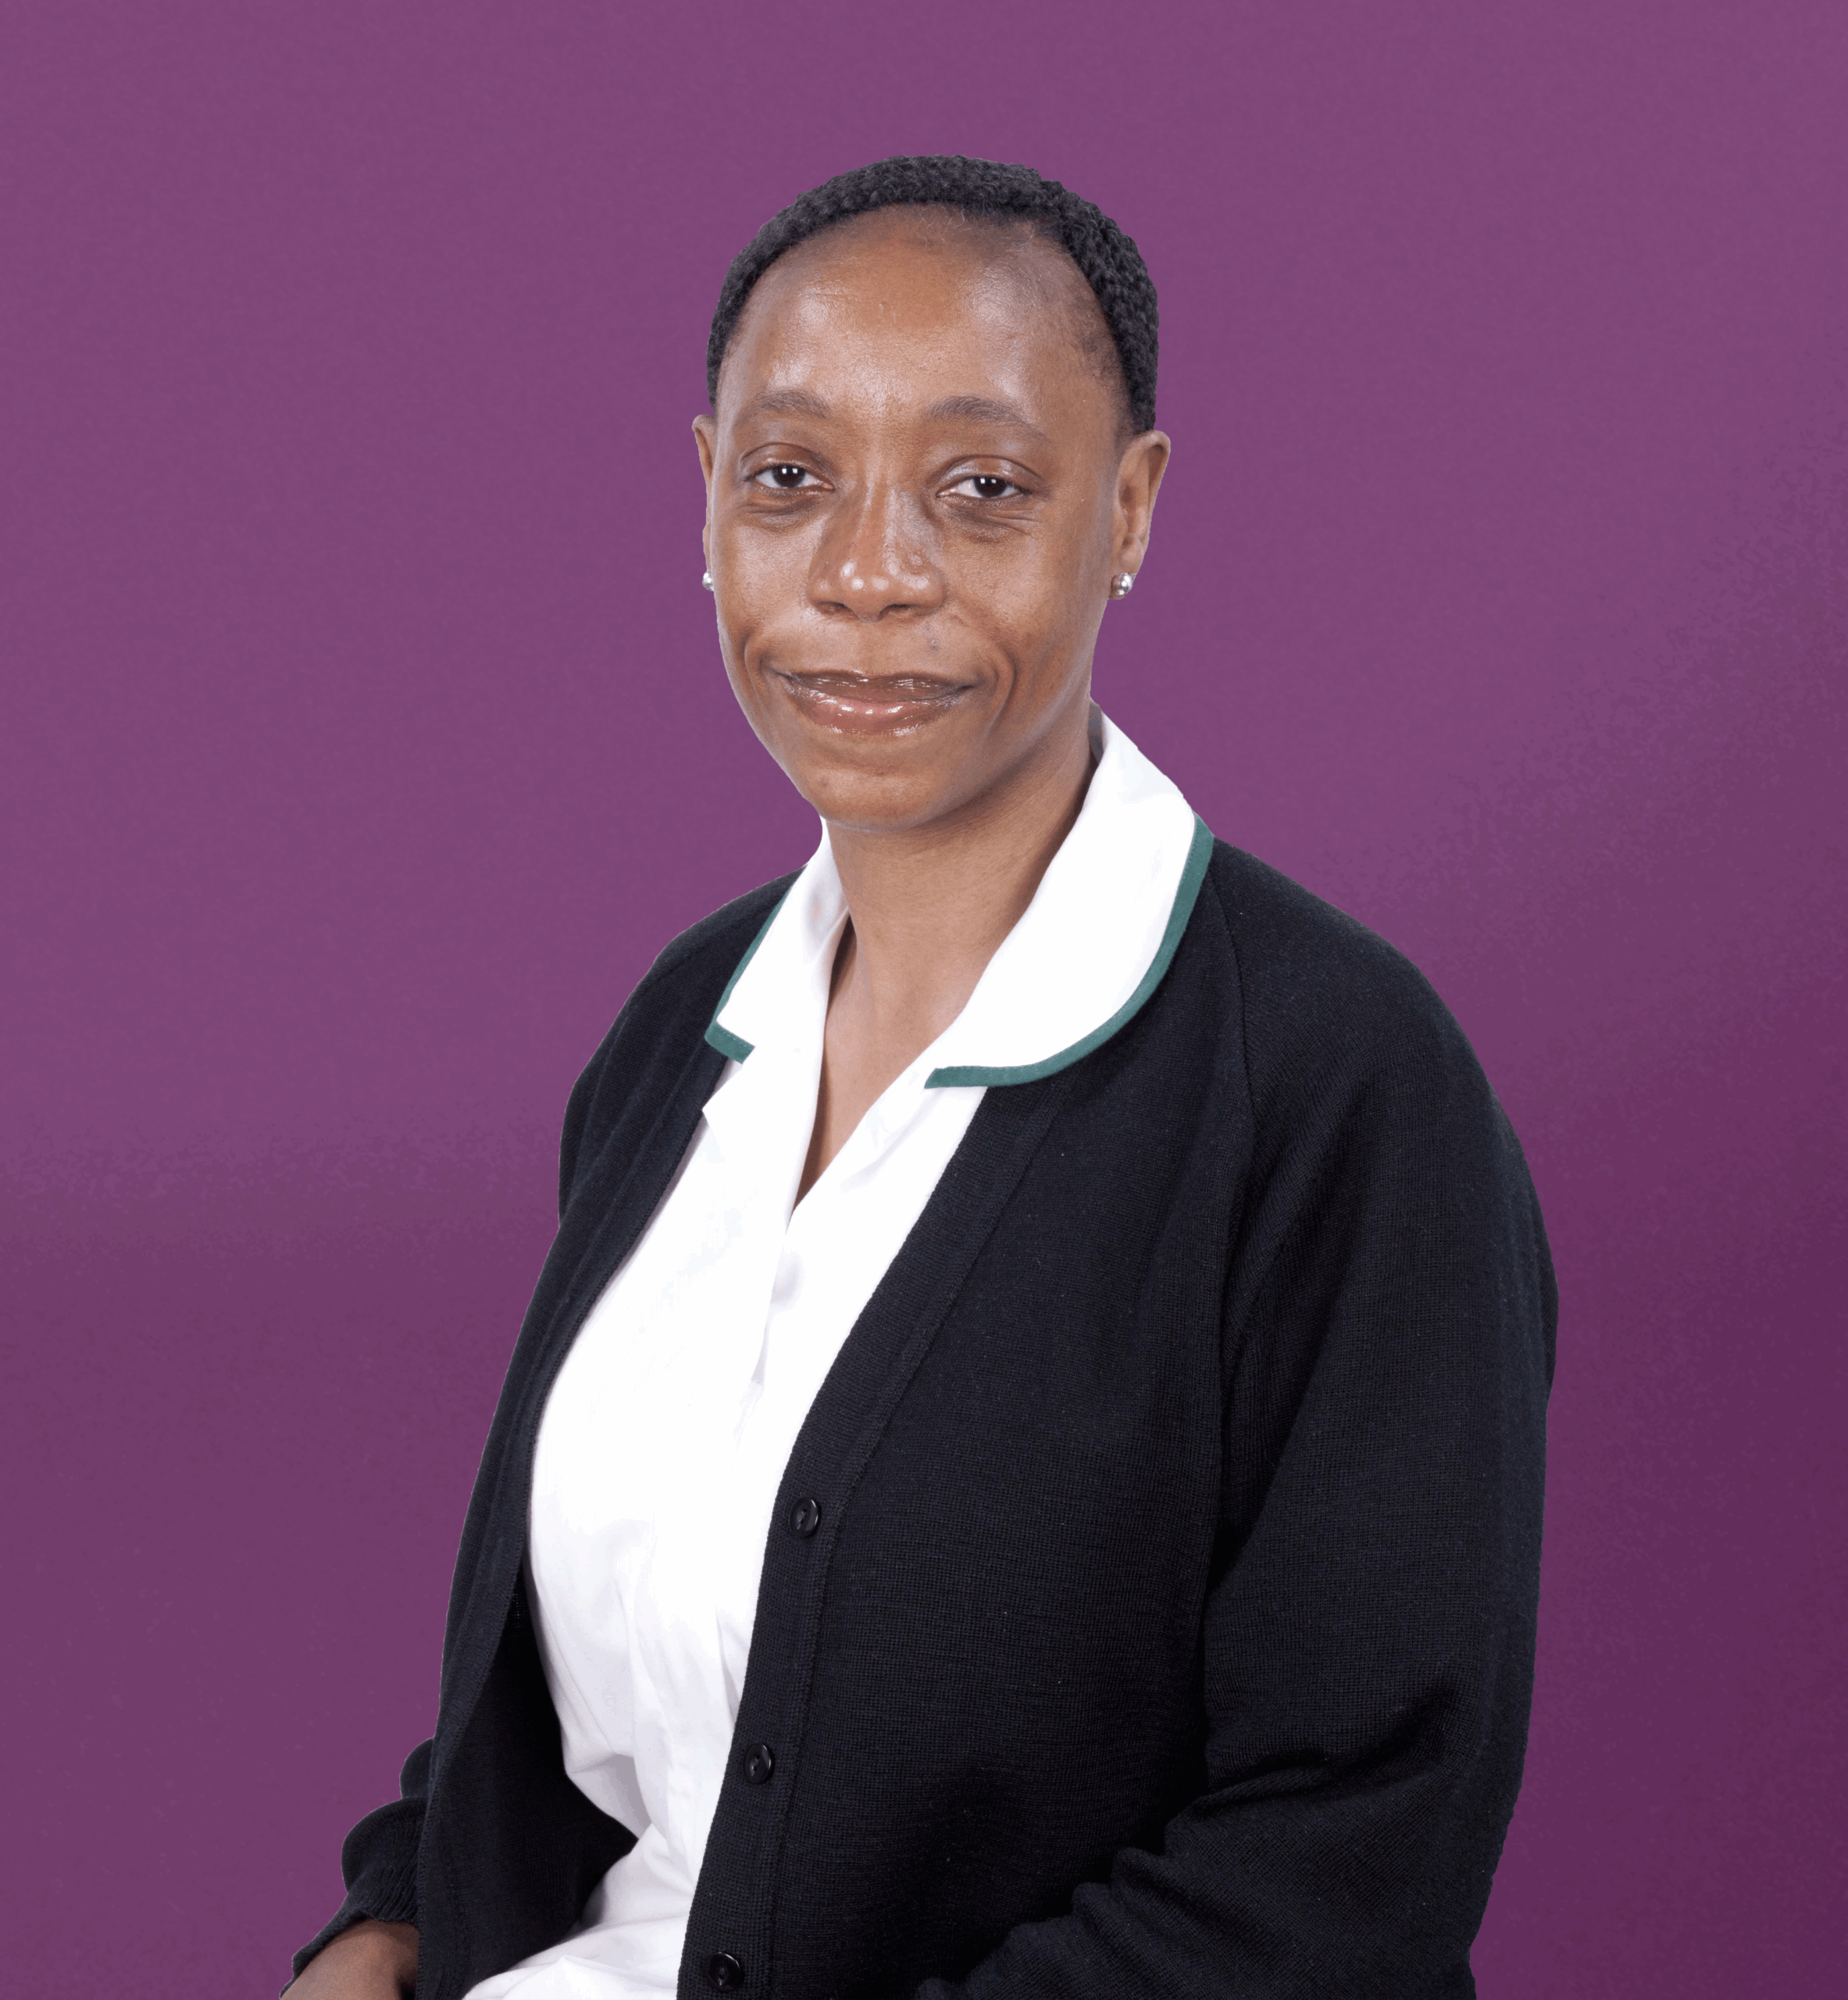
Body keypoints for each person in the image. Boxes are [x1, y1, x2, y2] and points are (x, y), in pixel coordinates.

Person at [284, 155, 1555, 2000]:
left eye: (982, 489)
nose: (866, 573)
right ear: (705, 496)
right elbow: (598, 1683)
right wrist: (392, 1915)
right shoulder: (679, 1034)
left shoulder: (1337, 1086)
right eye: (788, 479)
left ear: (1128, 508)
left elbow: (1350, 1854)